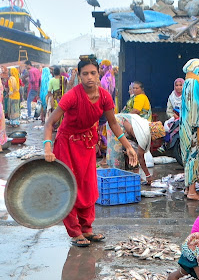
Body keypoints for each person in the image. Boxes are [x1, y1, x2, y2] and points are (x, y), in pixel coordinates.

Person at [42, 57, 137, 247]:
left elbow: (113, 124)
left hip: (87, 145)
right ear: (79, 75)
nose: (90, 77)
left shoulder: (104, 96)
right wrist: (47, 146)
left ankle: (87, 229)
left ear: (99, 74)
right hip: (66, 144)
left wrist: (128, 146)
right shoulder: (72, 96)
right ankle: (75, 231)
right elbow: (50, 122)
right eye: (85, 74)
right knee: (69, 187)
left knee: (88, 186)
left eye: (93, 73)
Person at [179, 59, 199, 200]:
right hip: (194, 126)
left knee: (189, 156)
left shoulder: (187, 81)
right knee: (193, 156)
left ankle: (187, 188)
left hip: (186, 124)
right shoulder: (194, 82)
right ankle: (191, 191)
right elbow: (195, 105)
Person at [114, 113, 153, 182]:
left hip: (127, 129)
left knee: (132, 150)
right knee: (118, 153)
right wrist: (148, 175)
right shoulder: (142, 135)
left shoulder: (142, 130)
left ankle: (135, 176)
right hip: (116, 124)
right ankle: (117, 178)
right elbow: (140, 156)